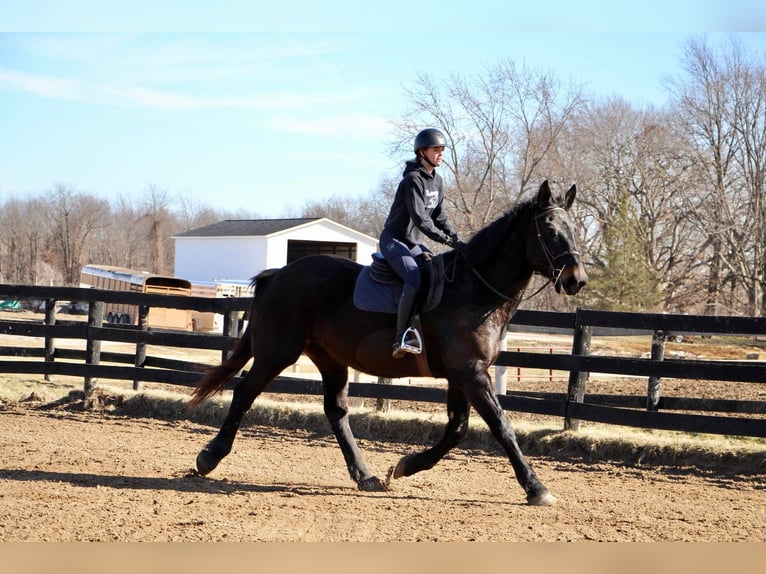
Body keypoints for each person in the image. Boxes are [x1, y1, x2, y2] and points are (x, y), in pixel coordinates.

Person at [379, 128, 461, 358]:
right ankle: (400, 338)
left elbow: (439, 217)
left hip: (413, 242)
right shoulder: (412, 179)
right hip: (394, 240)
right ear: (422, 151)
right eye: (436, 150)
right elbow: (420, 219)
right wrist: (444, 240)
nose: (440, 154)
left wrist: (456, 239)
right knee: (414, 277)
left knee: (435, 272)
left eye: (442, 151)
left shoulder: (438, 181)